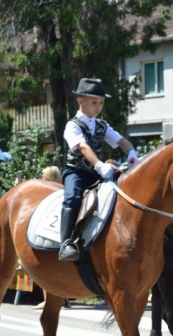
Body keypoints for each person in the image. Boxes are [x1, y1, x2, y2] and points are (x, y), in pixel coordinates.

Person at [60, 78, 138, 261]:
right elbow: (83, 147)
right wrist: (100, 165)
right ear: (80, 100)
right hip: (76, 173)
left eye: (101, 103)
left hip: (97, 173)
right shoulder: (72, 125)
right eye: (94, 102)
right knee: (72, 198)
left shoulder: (102, 125)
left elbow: (121, 141)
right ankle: (65, 243)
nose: (98, 107)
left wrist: (132, 152)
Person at [33, 166, 68, 310]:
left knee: (46, 263)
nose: (41, 178)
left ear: (48, 177)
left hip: (50, 229)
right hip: (60, 230)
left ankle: (48, 299)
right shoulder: (63, 189)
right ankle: (62, 298)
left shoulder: (49, 191)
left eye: (43, 175)